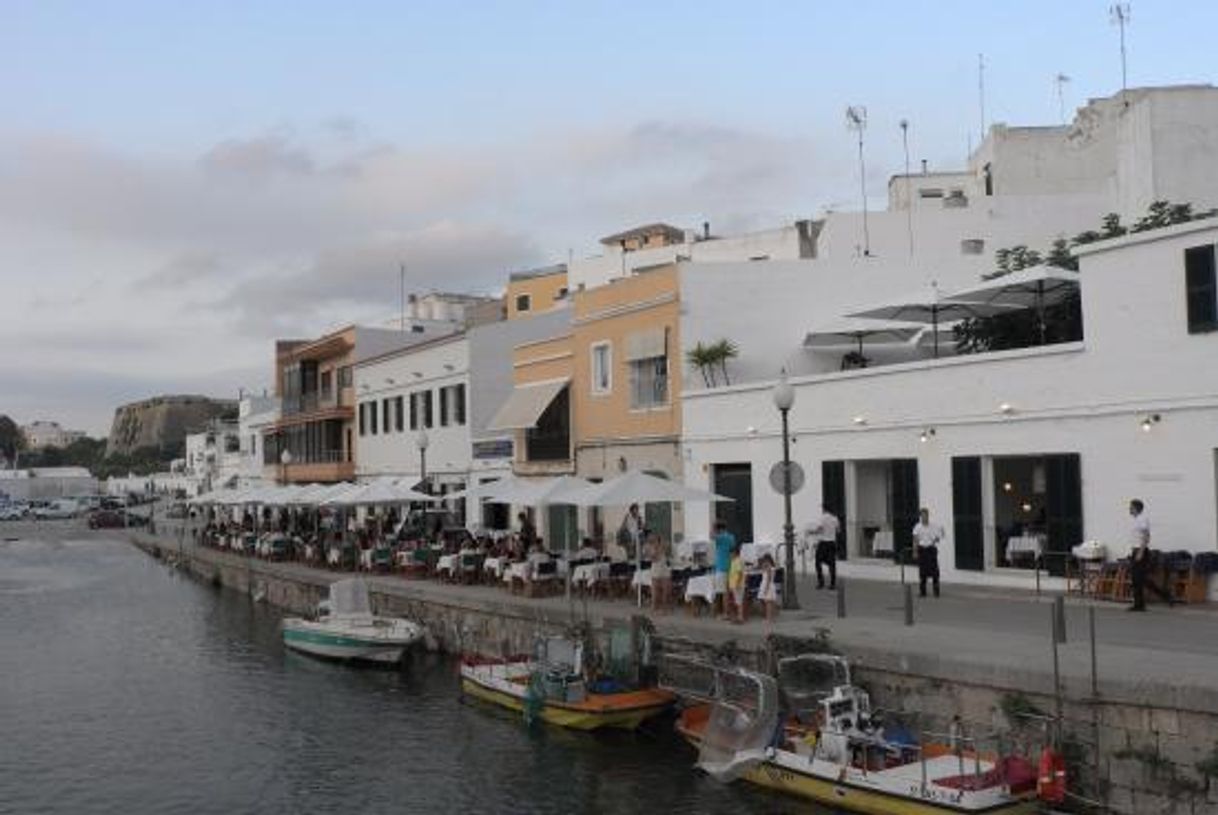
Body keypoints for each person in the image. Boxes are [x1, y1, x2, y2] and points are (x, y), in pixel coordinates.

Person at [1127, 498, 1174, 611]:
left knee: (1139, 579)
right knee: (1138, 579)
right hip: (1135, 551)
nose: (1129, 509)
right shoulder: (1136, 519)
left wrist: (1140, 552)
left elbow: (1146, 536)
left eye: (1131, 507)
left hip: (1140, 551)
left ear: (1136, 508)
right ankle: (1142, 603)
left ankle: (1163, 596)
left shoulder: (1142, 519)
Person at [912, 508, 944, 598]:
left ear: (928, 516)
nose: (924, 517)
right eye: (922, 516)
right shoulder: (917, 527)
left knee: (935, 571)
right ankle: (923, 592)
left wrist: (936, 539)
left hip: (931, 549)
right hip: (922, 549)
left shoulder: (934, 526)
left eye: (925, 515)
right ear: (920, 516)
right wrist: (915, 552)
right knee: (922, 572)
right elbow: (915, 540)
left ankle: (936, 592)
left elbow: (940, 536)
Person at [810, 505, 841, 590]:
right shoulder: (835, 518)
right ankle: (832, 584)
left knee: (817, 562)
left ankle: (821, 582)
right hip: (832, 543)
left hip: (823, 542)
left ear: (824, 509)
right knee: (832, 564)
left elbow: (819, 528)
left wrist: (813, 532)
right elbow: (838, 530)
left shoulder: (823, 518)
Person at [712, 521, 736, 617]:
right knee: (727, 591)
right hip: (729, 566)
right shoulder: (731, 537)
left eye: (717, 530)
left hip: (721, 567)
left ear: (720, 529)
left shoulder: (721, 537)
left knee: (721, 592)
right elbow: (732, 550)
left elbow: (711, 536)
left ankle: (723, 613)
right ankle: (728, 612)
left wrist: (713, 526)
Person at [648, 533, 672, 613]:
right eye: (653, 541)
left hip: (664, 571)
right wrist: (657, 550)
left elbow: (667, 547)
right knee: (655, 591)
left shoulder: (663, 547)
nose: (655, 543)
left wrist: (662, 546)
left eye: (656, 541)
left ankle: (664, 608)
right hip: (655, 571)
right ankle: (654, 607)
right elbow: (654, 559)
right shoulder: (652, 549)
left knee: (665, 591)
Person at [728, 544, 747, 624]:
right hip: (733, 585)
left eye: (731, 553)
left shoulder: (738, 561)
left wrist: (737, 583)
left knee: (739, 602)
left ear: (735, 553)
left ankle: (740, 617)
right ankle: (738, 617)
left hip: (737, 585)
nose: (730, 555)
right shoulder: (733, 561)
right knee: (737, 601)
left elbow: (740, 573)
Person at [757, 553, 779, 623]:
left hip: (767, 585)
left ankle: (768, 619)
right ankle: (772, 618)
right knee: (771, 603)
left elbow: (768, 579)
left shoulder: (769, 568)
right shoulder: (771, 567)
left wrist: (766, 589)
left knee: (768, 604)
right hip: (770, 585)